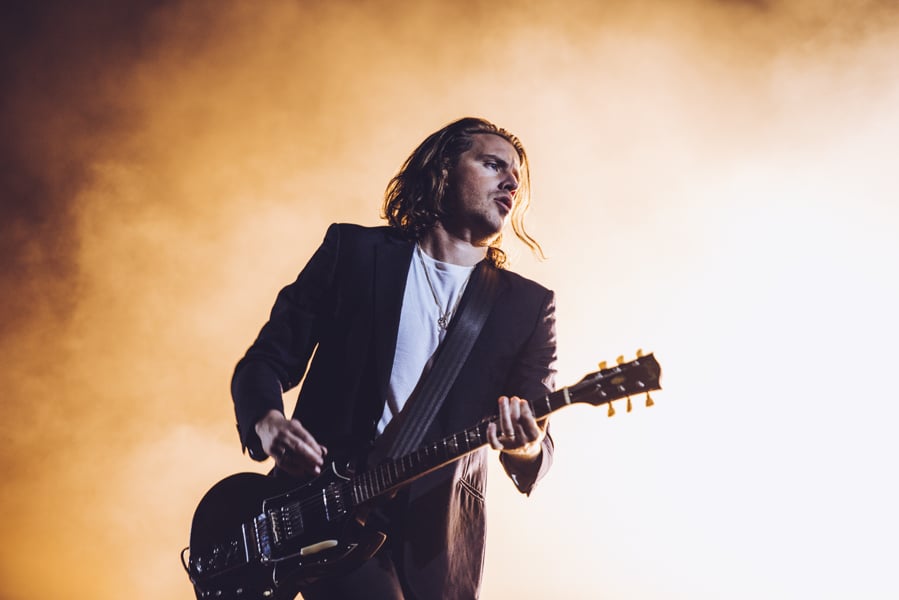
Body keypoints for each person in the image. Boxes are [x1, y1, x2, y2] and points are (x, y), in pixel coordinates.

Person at [231, 117, 558, 599]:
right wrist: (267, 422)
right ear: (443, 170)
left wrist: (524, 446)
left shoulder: (526, 306)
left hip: (436, 542)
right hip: (324, 506)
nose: (512, 182)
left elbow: (537, 442)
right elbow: (265, 359)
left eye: (516, 176)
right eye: (493, 165)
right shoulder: (354, 252)